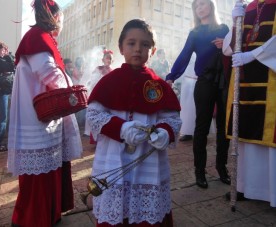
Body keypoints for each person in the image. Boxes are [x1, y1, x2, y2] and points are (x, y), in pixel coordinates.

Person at [87, 18, 182, 227]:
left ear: (153, 50)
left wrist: (165, 132)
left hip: (149, 161)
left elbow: (172, 118)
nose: (138, 49)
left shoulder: (159, 85)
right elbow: (93, 115)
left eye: (145, 44)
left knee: (146, 213)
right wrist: (120, 129)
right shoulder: (109, 81)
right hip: (113, 156)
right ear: (121, 47)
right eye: (131, 43)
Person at [7, 0, 83, 226]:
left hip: (43, 114)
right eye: (61, 19)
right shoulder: (38, 38)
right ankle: (33, 219)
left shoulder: (39, 38)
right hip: (38, 117)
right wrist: (70, 87)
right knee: (40, 174)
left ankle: (47, 215)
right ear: (55, 17)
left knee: (48, 168)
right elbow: (49, 74)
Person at [166, 0, 230, 188]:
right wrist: (171, 76)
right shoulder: (194, 33)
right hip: (204, 83)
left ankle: (222, 168)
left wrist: (225, 45)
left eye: (203, 4)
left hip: (224, 83)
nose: (200, 8)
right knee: (201, 128)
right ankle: (199, 172)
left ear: (211, 6)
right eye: (196, 6)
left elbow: (235, 51)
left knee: (223, 128)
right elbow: (184, 55)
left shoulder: (224, 28)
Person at [223, 0, 276, 206]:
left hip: (271, 83)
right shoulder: (249, 7)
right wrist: (235, 20)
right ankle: (245, 187)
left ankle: (272, 193)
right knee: (244, 135)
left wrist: (252, 55)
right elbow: (228, 50)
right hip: (245, 84)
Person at [87, 49, 114, 144]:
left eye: (110, 58)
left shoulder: (113, 71)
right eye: (107, 58)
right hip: (99, 95)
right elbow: (93, 82)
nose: (108, 60)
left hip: (109, 97)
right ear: (103, 59)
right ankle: (95, 139)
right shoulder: (98, 69)